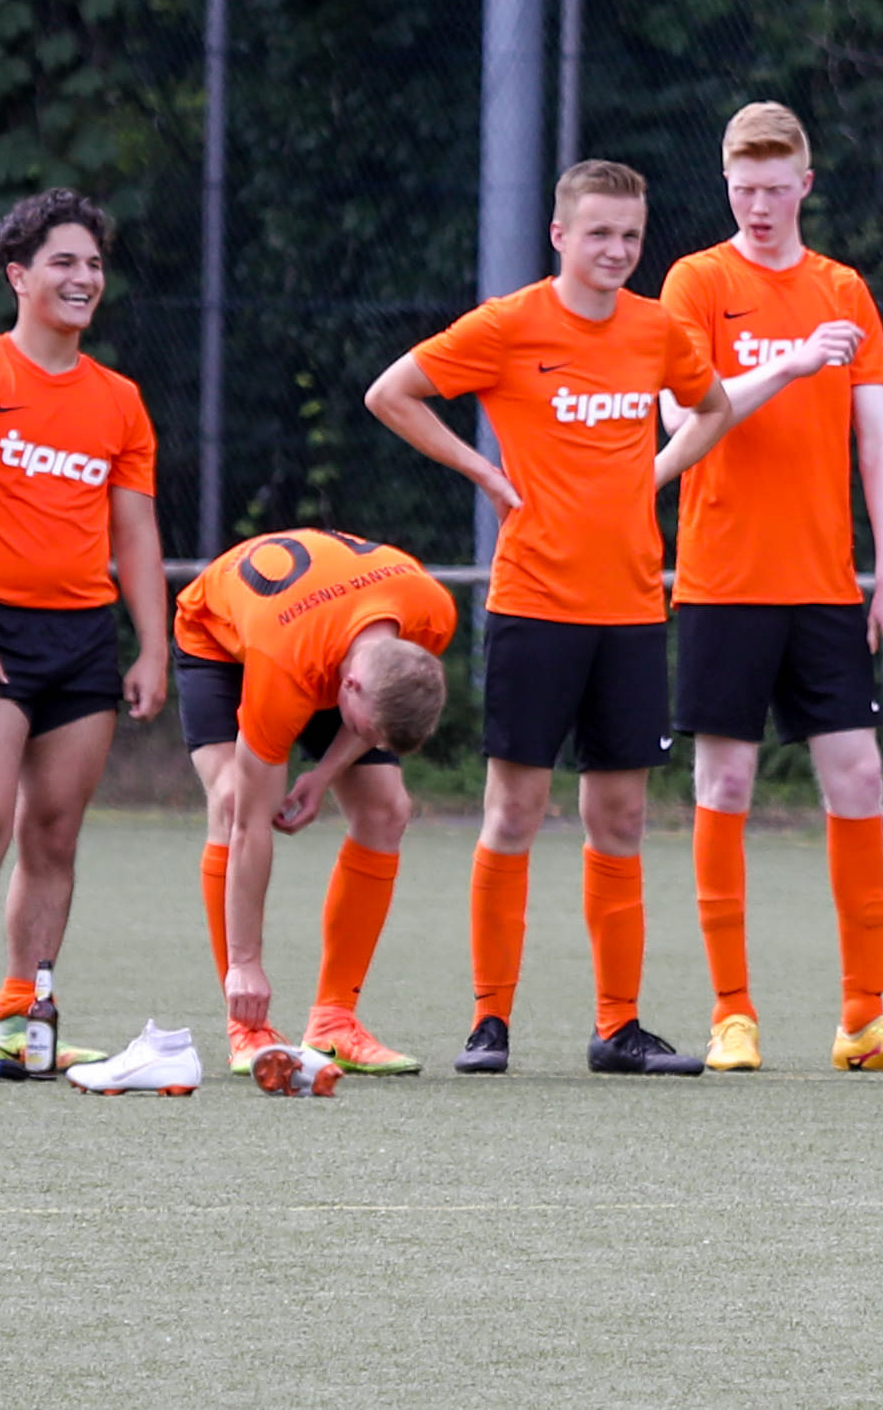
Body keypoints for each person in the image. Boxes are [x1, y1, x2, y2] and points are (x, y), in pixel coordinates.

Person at [361, 157, 853, 1076]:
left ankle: (617, 1027)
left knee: (620, 818)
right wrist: (480, 470)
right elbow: (390, 393)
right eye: (598, 233)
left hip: (630, 609)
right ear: (559, 236)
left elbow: (710, 408)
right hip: (533, 604)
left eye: (630, 235)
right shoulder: (507, 325)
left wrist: (652, 477)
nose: (617, 250)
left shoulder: (656, 328)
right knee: (514, 810)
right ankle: (489, 1022)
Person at [653, 103, 883, 1073]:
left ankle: (864, 1018)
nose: (759, 206)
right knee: (725, 782)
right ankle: (731, 1014)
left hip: (823, 584)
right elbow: (681, 419)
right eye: (744, 189)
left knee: (859, 777)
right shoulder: (697, 282)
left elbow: (879, 440)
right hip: (723, 578)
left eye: (775, 190)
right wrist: (784, 364)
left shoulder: (841, 289)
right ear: (726, 185)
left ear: (805, 187)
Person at [0, 190, 170, 1077]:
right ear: (18, 275)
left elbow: (134, 530)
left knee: (53, 836)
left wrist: (152, 645)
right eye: (63, 262)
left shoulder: (119, 400)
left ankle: (23, 1018)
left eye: (93, 263)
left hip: (81, 638)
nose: (83, 277)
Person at [159, 527, 456, 1097]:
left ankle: (335, 1022)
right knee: (234, 801)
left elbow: (376, 708)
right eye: (368, 730)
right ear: (348, 686)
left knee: (387, 808)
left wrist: (323, 774)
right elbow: (251, 827)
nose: (369, 741)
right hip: (224, 637)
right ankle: (247, 1026)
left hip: (329, 632)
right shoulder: (284, 667)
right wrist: (246, 962)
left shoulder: (432, 614)